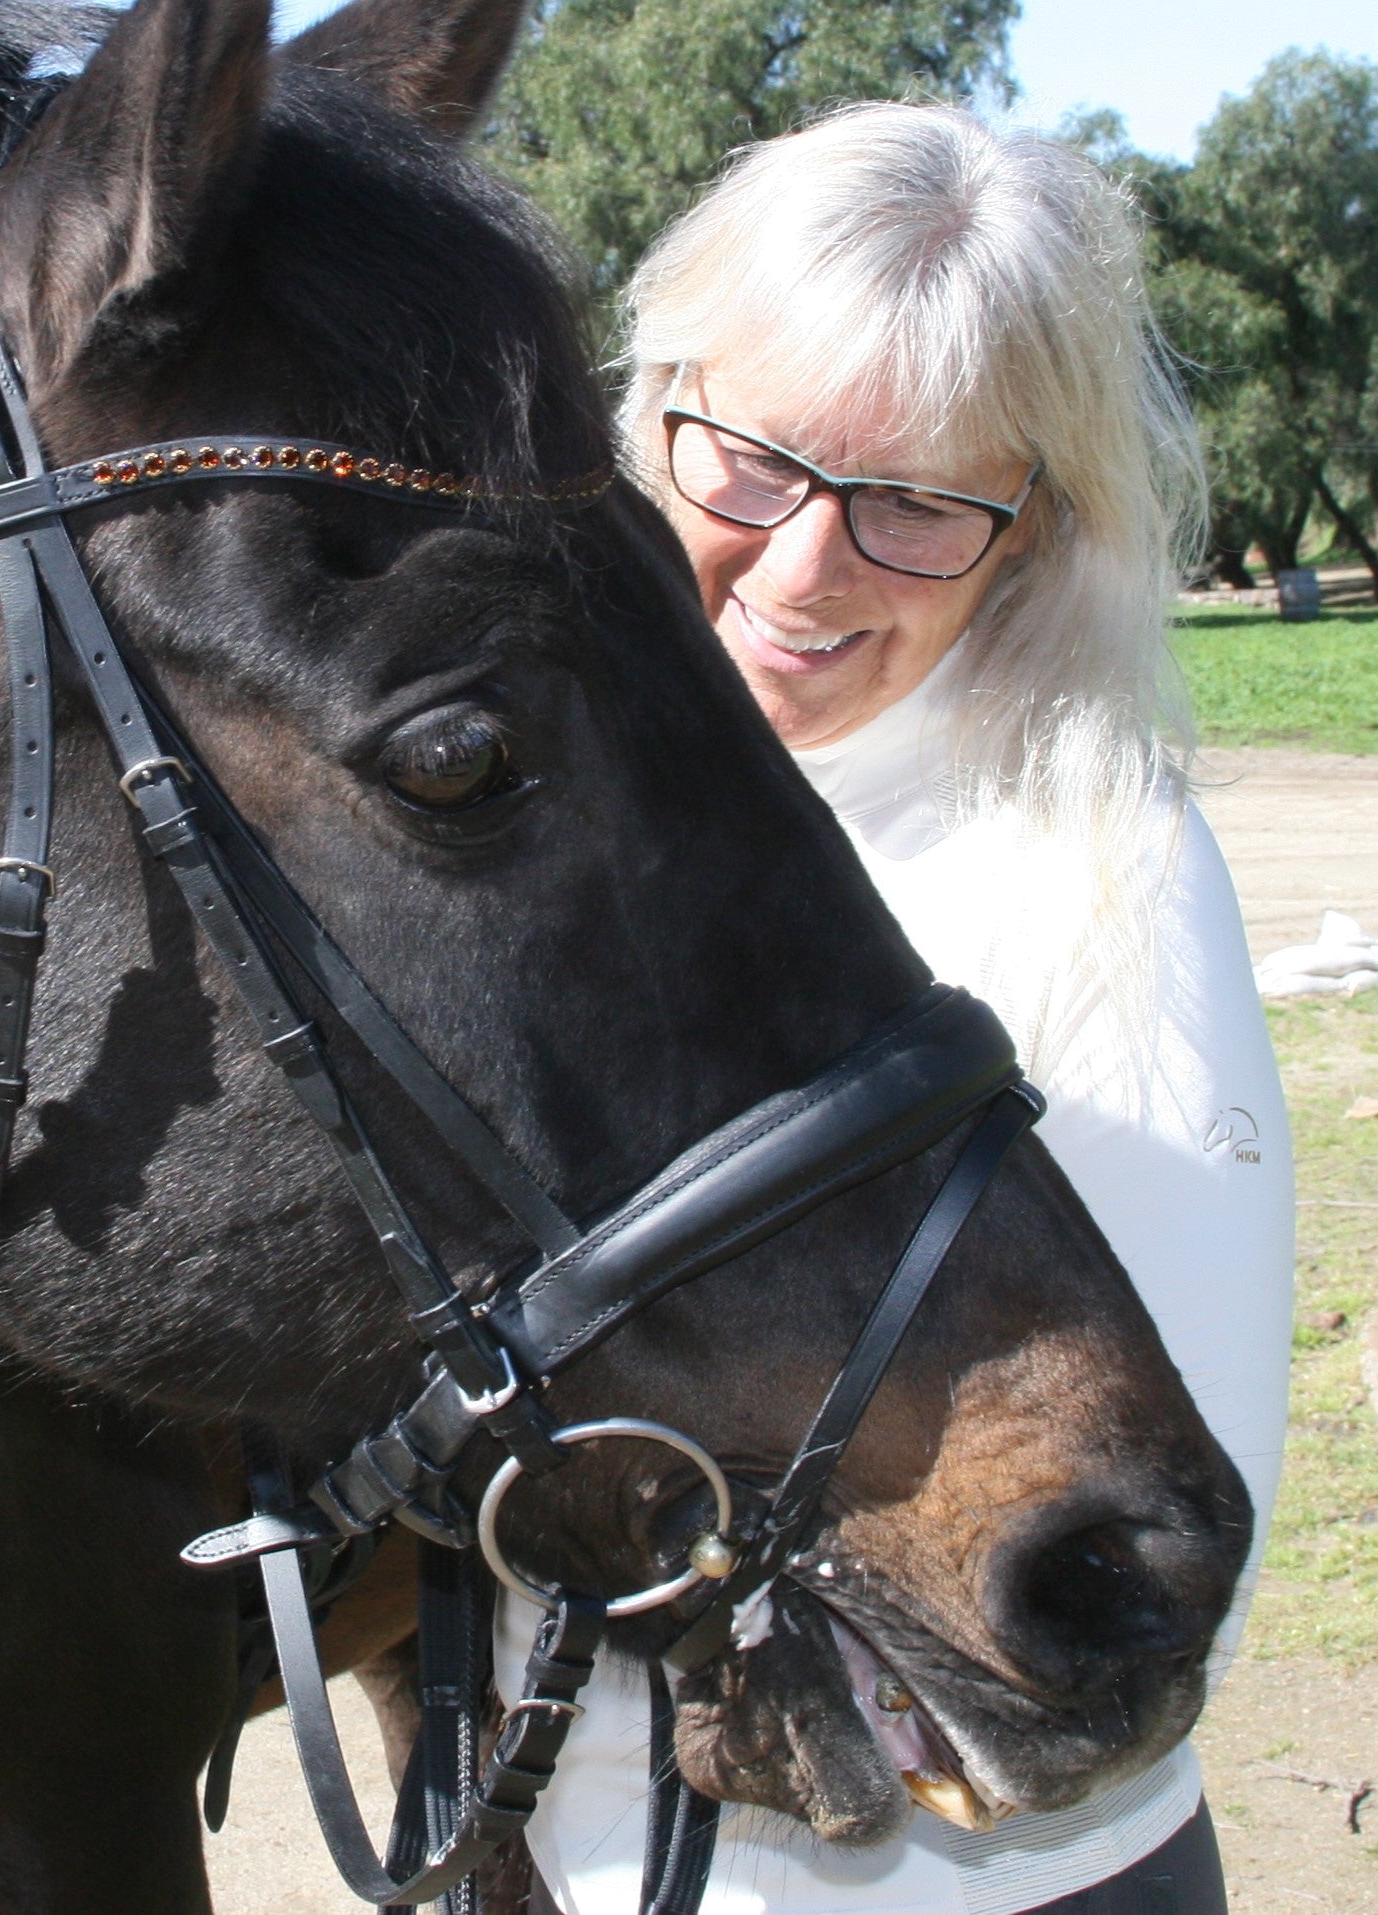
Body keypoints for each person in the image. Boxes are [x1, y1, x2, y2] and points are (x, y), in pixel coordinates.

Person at [498, 102, 1294, 1915]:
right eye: (750, 464)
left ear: (1030, 529)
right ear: (653, 408)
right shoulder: (557, 806)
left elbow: (1120, 1569)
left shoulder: (1096, 875)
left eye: (918, 504)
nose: (798, 572)